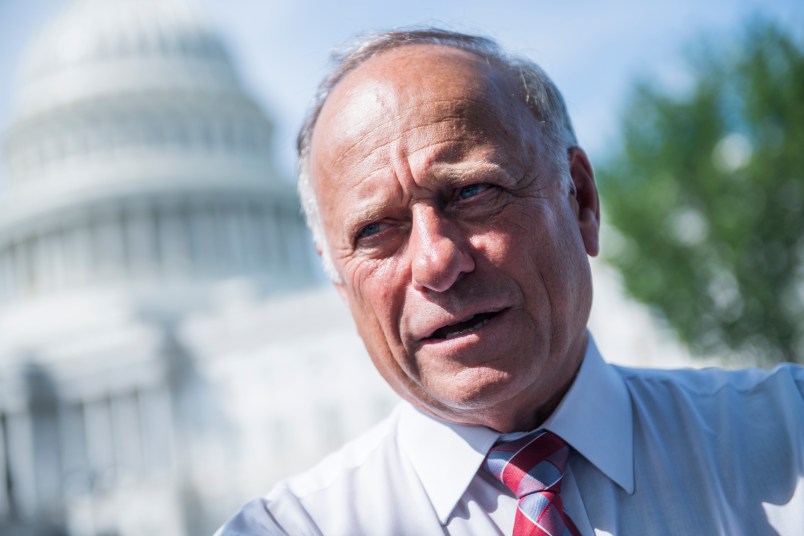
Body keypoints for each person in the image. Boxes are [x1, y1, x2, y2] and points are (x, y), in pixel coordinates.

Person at [217, 28, 804, 535]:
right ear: (341, 286)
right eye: (375, 230)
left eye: (472, 193)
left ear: (582, 203)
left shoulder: (788, 437)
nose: (436, 263)